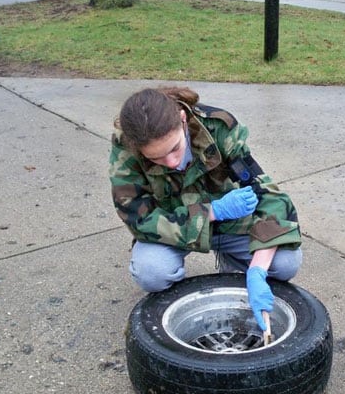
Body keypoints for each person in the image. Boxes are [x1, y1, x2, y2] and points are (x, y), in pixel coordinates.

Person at [109, 86, 302, 331]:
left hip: (233, 226)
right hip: (176, 230)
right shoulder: (127, 146)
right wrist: (211, 212)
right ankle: (180, 302)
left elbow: (270, 195)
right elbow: (137, 217)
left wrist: (257, 269)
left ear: (182, 119)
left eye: (174, 149)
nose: (171, 162)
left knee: (285, 262)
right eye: (155, 158)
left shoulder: (217, 128)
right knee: (152, 271)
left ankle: (238, 270)